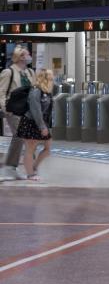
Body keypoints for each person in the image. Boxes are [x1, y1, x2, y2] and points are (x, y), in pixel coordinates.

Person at [9, 69, 53, 182]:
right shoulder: (35, 91)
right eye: (51, 77)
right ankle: (30, 174)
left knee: (48, 147)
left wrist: (46, 125)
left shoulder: (46, 91)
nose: (52, 79)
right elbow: (35, 110)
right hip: (30, 123)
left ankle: (33, 167)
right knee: (30, 149)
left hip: (41, 122)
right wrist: (42, 127)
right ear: (45, 78)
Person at [0, 46, 29, 181]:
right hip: (12, 110)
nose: (29, 57)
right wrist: (5, 108)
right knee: (20, 134)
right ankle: (10, 167)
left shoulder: (28, 73)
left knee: (22, 136)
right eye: (26, 54)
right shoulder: (8, 72)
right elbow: (1, 92)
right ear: (20, 57)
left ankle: (13, 166)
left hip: (25, 110)